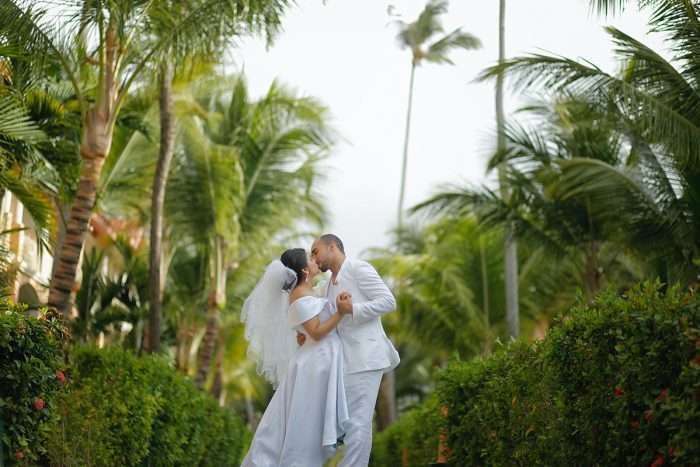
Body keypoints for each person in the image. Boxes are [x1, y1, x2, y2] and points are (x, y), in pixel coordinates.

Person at [240, 248, 354, 467]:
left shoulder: (308, 291)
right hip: (315, 364)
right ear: (305, 269)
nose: (315, 261)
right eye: (311, 259)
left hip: (319, 359)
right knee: (304, 422)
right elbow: (317, 332)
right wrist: (340, 312)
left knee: (304, 420)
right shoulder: (299, 295)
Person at [305, 233, 400, 467]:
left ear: (332, 246)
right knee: (347, 425)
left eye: (316, 251)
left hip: (367, 358)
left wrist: (353, 309)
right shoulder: (327, 285)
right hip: (344, 363)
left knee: (358, 422)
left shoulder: (358, 268)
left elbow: (388, 301)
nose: (314, 259)